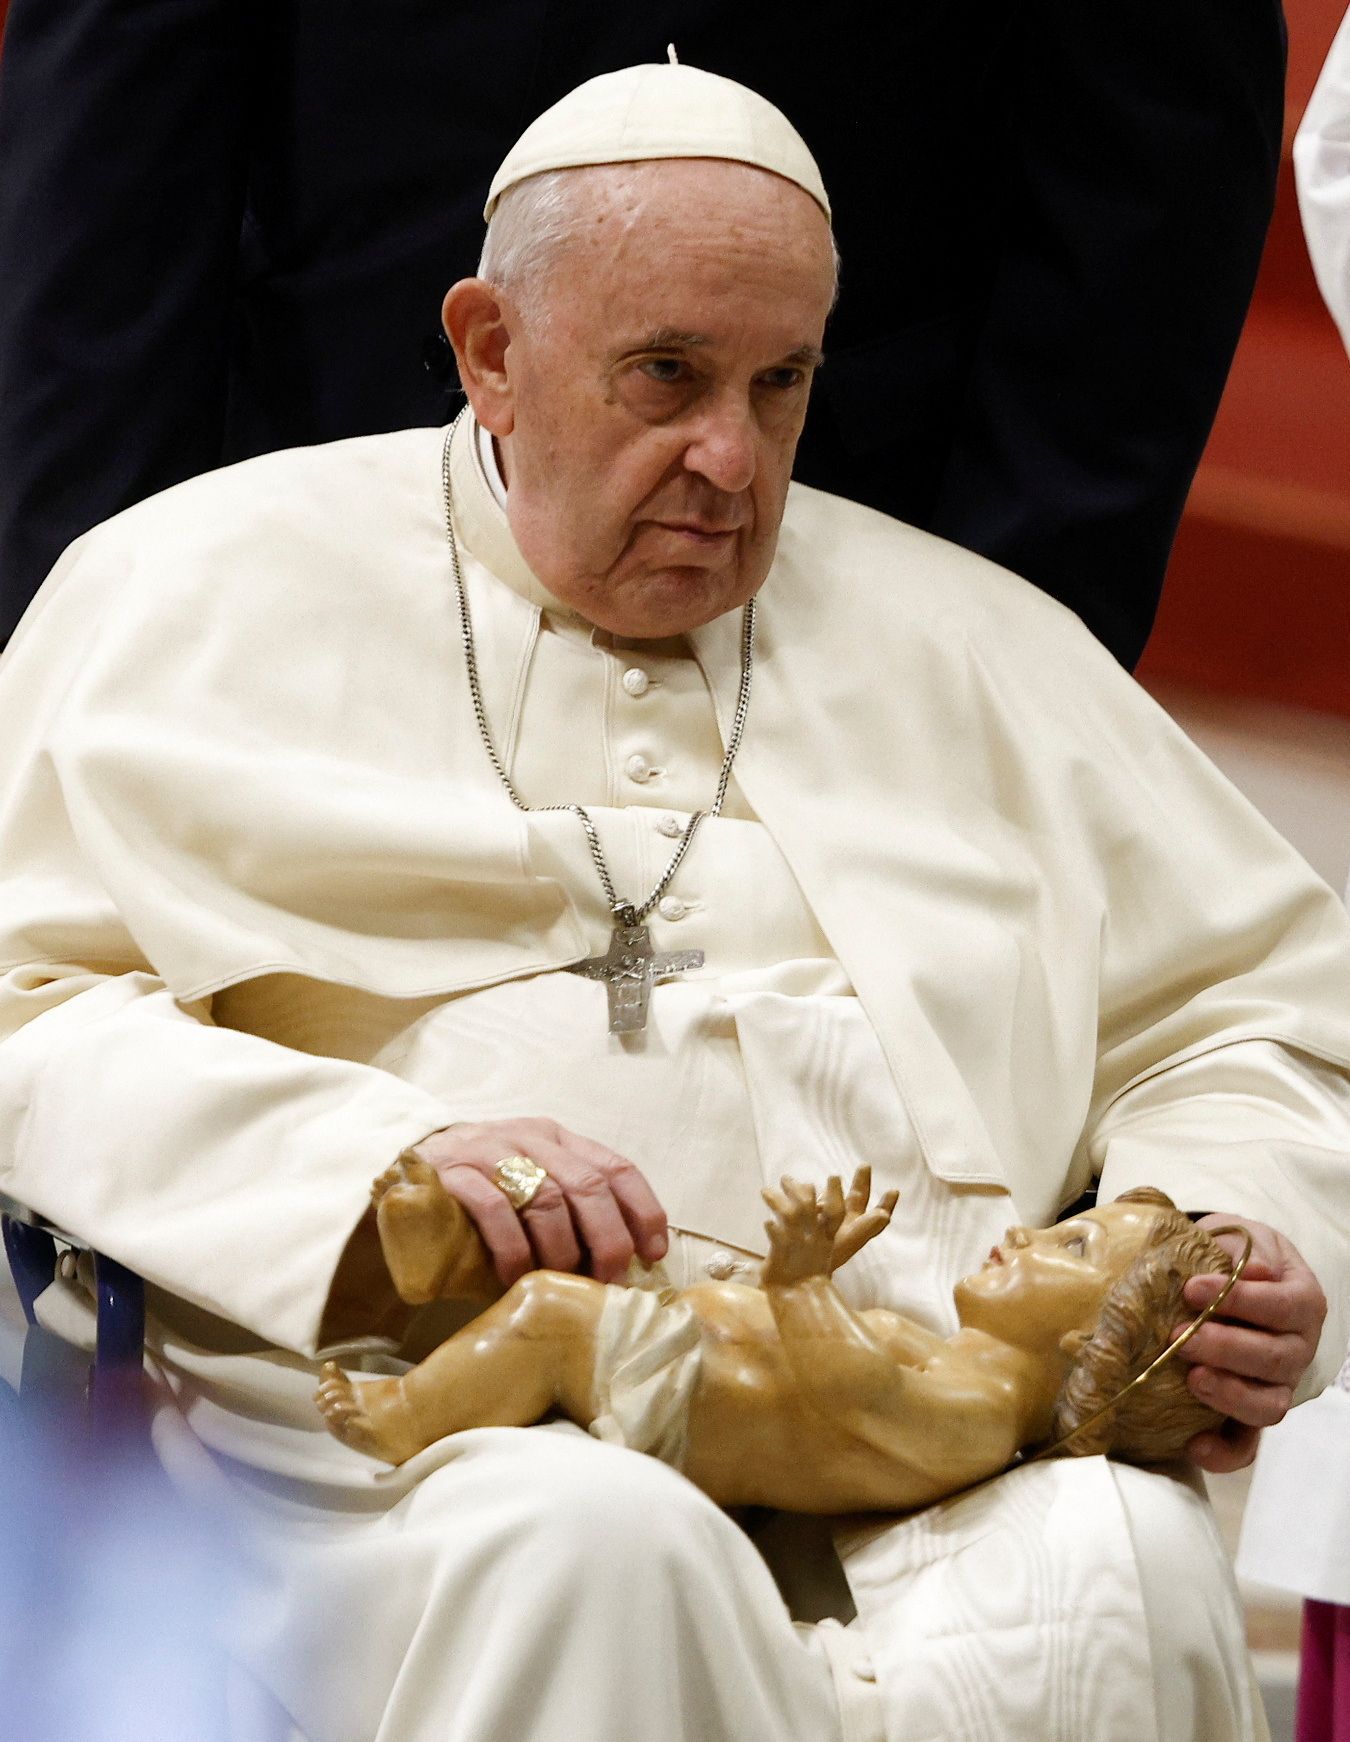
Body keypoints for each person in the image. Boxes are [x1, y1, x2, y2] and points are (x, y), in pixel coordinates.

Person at [0, 59, 1347, 1742]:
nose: (732, 456)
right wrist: (366, 1173)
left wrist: (1216, 1234)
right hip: (407, 1450)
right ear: (491, 349)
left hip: (930, 1426)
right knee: (595, 1546)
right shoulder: (184, 594)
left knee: (1121, 1559)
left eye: (782, 385)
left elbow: (1253, 1015)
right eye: (668, 376)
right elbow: (25, 1009)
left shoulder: (983, 645)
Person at [0, 1, 1288, 668]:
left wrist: (1001, 661)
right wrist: (80, 603)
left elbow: (1148, 166)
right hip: (320, 486)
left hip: (842, 541)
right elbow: (112, 119)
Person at [317, 1164, 1236, 1493]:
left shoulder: (984, 1413)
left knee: (551, 1315)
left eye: (1069, 1246)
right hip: (694, 1357)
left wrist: (800, 1286)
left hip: (683, 1410)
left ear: (1087, 1346)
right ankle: (437, 1254)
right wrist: (805, 1280)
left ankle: (405, 1410)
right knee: (599, 1258)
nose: (1027, 1232)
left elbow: (852, 1394)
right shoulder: (963, 1362)